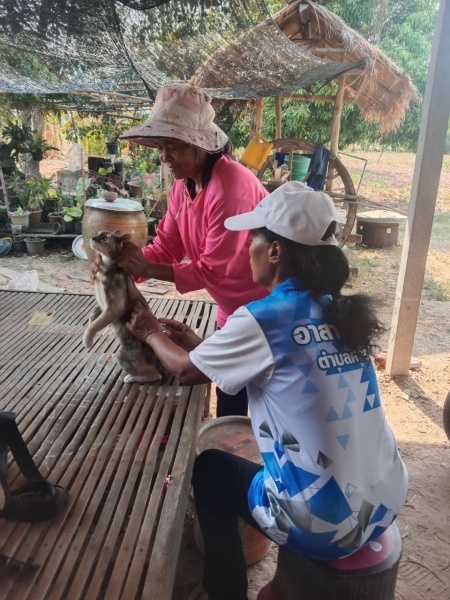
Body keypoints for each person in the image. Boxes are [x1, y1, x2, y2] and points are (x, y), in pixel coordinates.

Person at [126, 181, 409, 600]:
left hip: (323, 525)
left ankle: (224, 593)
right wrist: (203, 347)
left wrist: (150, 332)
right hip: (386, 498)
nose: (247, 248)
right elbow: (274, 367)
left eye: (254, 238)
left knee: (211, 470)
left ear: (276, 251)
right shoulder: (337, 310)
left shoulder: (263, 317)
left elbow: (184, 372)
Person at [118, 82, 268, 417]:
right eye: (160, 146)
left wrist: (145, 269)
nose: (164, 157)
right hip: (232, 308)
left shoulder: (231, 188)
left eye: (173, 146)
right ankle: (232, 441)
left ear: (200, 144)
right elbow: (166, 246)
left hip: (265, 307)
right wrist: (126, 266)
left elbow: (212, 270)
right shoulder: (183, 186)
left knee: (266, 397)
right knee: (230, 392)